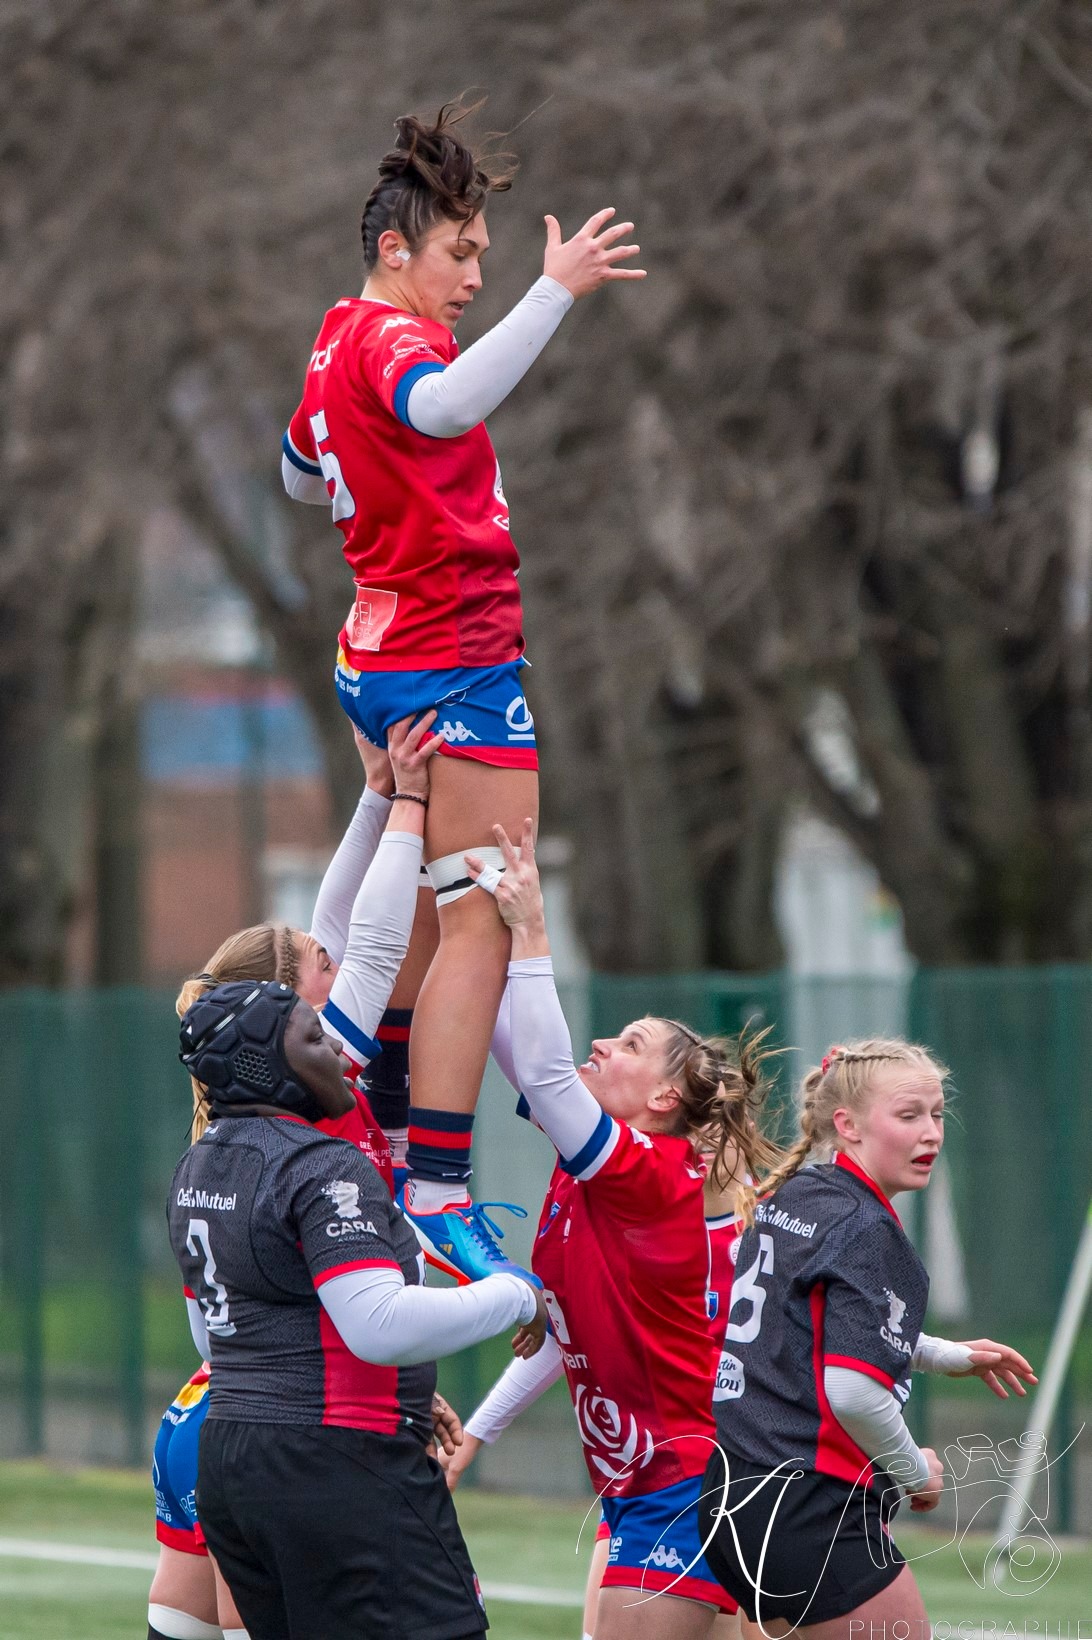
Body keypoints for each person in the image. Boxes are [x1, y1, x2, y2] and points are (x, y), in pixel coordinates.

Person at [281, 98, 646, 1279]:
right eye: (462, 251)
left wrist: (371, 498)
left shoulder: (334, 335)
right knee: (482, 915)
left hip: (378, 654)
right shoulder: (395, 345)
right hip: (454, 653)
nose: (478, 273)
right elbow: (439, 406)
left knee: (439, 909)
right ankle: (437, 1181)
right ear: (397, 248)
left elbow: (295, 469)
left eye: (488, 255)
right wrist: (558, 291)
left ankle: (390, 1129)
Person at [148, 713, 442, 1640]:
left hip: (216, 1406)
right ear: (293, 997)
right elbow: (379, 936)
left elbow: (334, 920)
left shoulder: (237, 1109)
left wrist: (376, 791)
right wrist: (413, 803)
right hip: (295, 1423)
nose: (338, 951)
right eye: (322, 962)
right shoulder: (324, 1059)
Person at [453, 818, 782, 1640]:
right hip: (638, 1487)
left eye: (630, 1044)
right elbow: (502, 1037)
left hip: (688, 1486)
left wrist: (531, 926)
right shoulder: (588, 1163)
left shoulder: (644, 1173)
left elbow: (542, 1065)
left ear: (665, 1100)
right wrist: (454, 902)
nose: (603, 1043)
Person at [168, 978, 547, 1640]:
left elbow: (213, 1338)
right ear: (263, 1064)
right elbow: (378, 1326)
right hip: (337, 1464)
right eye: (313, 1037)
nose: (338, 1054)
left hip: (232, 1463)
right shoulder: (321, 1164)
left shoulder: (199, 1164)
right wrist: (516, 1294)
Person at [697, 1039, 1038, 1638]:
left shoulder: (796, 1195)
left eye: (936, 1115)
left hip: (734, 1494)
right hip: (809, 1507)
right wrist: (914, 1472)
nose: (930, 1132)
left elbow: (816, 1328)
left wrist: (943, 1354)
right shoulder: (866, 1227)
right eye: (908, 1116)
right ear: (846, 1125)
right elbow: (854, 1391)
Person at [443, 1124, 753, 1640]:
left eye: (723, 1120)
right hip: (641, 1482)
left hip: (718, 1485)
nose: (706, 1138)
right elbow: (573, 1335)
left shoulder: (761, 1239)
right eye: (696, 1122)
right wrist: (476, 1434)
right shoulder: (634, 1225)